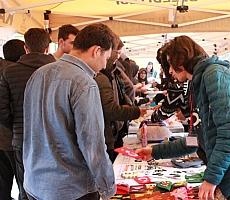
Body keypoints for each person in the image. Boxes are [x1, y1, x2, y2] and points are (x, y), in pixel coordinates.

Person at [136, 36, 230, 200]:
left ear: (181, 61)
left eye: (171, 64)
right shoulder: (200, 80)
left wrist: (211, 178)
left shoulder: (215, 75)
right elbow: (195, 139)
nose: (169, 71)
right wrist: (155, 151)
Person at [23, 23, 116, 200]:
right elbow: (92, 143)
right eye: (106, 57)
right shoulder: (84, 83)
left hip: (34, 183)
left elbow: (28, 127)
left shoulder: (39, 74)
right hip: (71, 188)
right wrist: (108, 188)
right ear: (96, 51)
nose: (104, 65)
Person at [0, 29, 55, 200]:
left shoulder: (10, 72)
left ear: (26, 47)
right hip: (55, 139)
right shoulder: (59, 71)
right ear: (48, 48)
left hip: (22, 139)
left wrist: (17, 123)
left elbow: (2, 110)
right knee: (53, 188)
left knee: (27, 189)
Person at [95, 35, 147, 162]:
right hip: (106, 135)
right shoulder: (102, 76)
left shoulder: (113, 71)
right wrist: (135, 111)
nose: (117, 56)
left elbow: (128, 88)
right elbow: (110, 109)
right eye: (116, 52)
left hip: (112, 131)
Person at [0, 39, 25, 200]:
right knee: (23, 183)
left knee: (3, 184)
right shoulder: (16, 73)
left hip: (2, 138)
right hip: (14, 137)